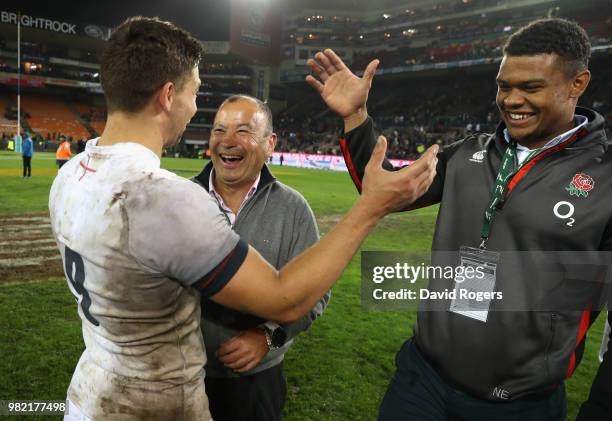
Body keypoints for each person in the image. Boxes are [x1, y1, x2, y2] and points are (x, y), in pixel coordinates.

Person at [49, 17, 438, 421]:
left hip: (92, 393)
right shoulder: (166, 198)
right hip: (153, 404)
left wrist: (267, 338)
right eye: (195, 93)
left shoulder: (71, 173)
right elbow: (285, 297)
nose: (194, 107)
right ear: (168, 96)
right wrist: (370, 206)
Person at [306, 18, 611, 421]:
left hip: (520, 403)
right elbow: (385, 189)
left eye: (531, 87)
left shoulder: (605, 178)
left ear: (577, 83)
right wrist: (357, 116)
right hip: (422, 380)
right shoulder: (468, 153)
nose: (512, 100)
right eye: (504, 86)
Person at [192, 94, 328, 421]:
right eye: (218, 130)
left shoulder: (294, 210)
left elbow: (315, 293)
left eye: (243, 131)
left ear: (270, 144)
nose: (227, 141)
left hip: (257, 380)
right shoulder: (181, 200)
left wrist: (269, 335)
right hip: (182, 375)